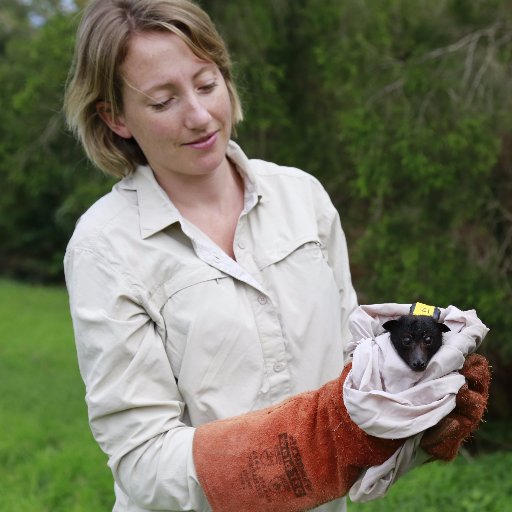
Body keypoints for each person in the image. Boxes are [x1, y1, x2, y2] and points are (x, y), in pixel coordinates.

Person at [63, 1, 490, 511]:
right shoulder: (104, 247)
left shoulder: (301, 197)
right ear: (115, 117)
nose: (199, 116)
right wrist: (314, 448)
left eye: (206, 84)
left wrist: (415, 411)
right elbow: (143, 462)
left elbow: (349, 379)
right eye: (162, 101)